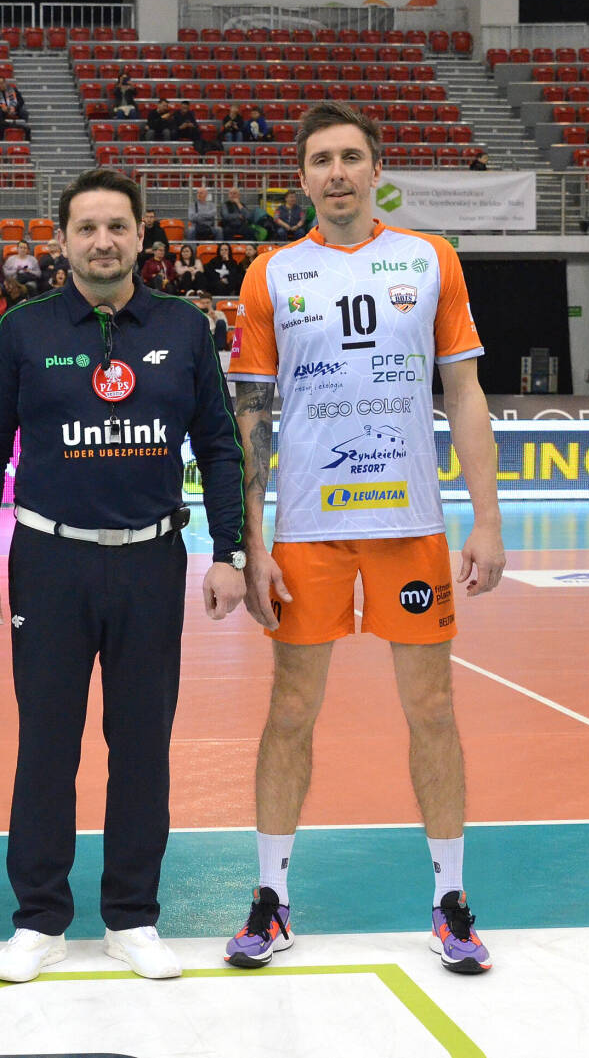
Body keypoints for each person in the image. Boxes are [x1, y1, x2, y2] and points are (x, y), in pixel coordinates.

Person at [224, 101, 505, 978]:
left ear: (377, 169)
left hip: (410, 524)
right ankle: (271, 898)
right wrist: (250, 540)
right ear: (301, 178)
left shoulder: (430, 258)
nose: (337, 172)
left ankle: (451, 901)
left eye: (351, 157)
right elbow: (252, 412)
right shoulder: (271, 273)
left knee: (433, 710)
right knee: (290, 711)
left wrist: (488, 518)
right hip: (308, 530)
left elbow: (464, 392)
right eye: (321, 160)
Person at [0, 167, 246, 983]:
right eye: (86, 227)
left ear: (141, 234)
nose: (103, 241)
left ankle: (132, 916)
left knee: (143, 745)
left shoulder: (185, 327)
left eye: (117, 226)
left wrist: (228, 550)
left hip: (152, 559)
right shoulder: (22, 329)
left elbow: (219, 445)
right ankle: (39, 919)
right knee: (46, 745)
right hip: (50, 561)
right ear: (61, 240)